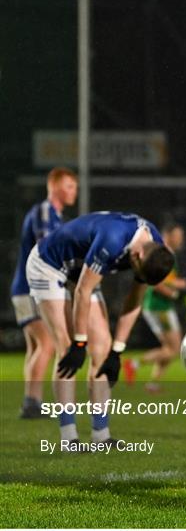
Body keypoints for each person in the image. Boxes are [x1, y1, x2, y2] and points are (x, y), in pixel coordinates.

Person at [26, 211, 174, 450]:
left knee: (103, 351)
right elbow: (83, 291)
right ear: (136, 256)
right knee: (67, 349)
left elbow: (134, 300)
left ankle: (101, 436)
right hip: (48, 264)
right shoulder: (113, 240)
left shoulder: (153, 248)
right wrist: (80, 343)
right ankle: (68, 438)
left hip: (80, 270)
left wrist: (118, 350)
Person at [11, 167, 78, 418]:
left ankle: (31, 402)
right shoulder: (44, 211)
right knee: (48, 343)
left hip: (27, 288)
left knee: (36, 346)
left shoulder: (56, 216)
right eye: (70, 186)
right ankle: (32, 402)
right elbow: (46, 251)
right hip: (31, 288)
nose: (74, 191)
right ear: (56, 187)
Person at [123, 222, 186, 392]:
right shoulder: (163, 253)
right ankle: (134, 364)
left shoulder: (166, 253)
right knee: (174, 349)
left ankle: (153, 383)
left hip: (159, 306)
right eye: (178, 235)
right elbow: (156, 281)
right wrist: (176, 289)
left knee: (168, 348)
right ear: (168, 235)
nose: (181, 239)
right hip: (158, 307)